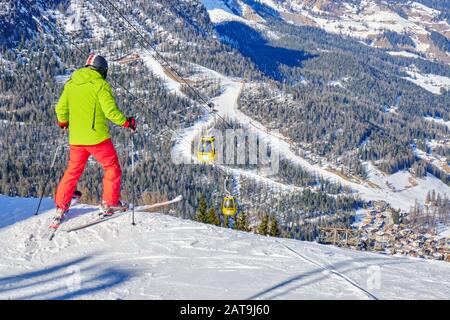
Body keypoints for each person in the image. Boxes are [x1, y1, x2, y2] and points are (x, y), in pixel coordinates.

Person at [53, 53, 136, 222]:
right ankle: (109, 203)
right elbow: (110, 112)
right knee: (112, 167)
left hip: (76, 139)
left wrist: (63, 123)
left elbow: (60, 108)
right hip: (98, 139)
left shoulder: (70, 84)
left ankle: (61, 206)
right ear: (102, 70)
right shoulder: (100, 84)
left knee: (72, 171)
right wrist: (127, 122)